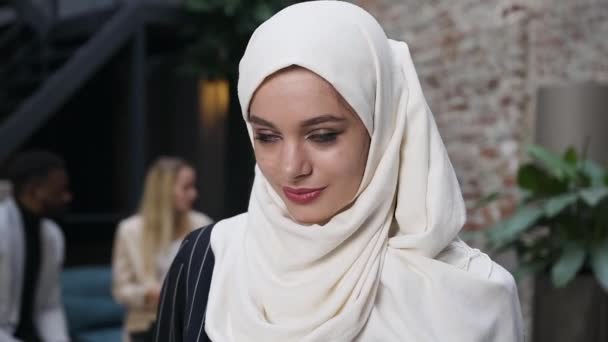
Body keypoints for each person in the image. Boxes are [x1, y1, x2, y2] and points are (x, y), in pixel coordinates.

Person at [154, 2, 525, 341]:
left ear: (383, 129)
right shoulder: (207, 260)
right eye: (266, 136)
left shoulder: (473, 296)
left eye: (323, 136)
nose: (291, 168)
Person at [112, 157, 213, 342]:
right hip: (145, 327)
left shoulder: (203, 225)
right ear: (164, 190)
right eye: (186, 188)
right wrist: (149, 293)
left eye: (193, 186)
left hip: (191, 324)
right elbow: (121, 290)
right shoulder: (130, 230)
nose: (194, 194)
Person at [0, 150, 72, 342]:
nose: (67, 197)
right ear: (34, 190)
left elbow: (48, 306)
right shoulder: (2, 229)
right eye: (60, 190)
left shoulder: (51, 235)